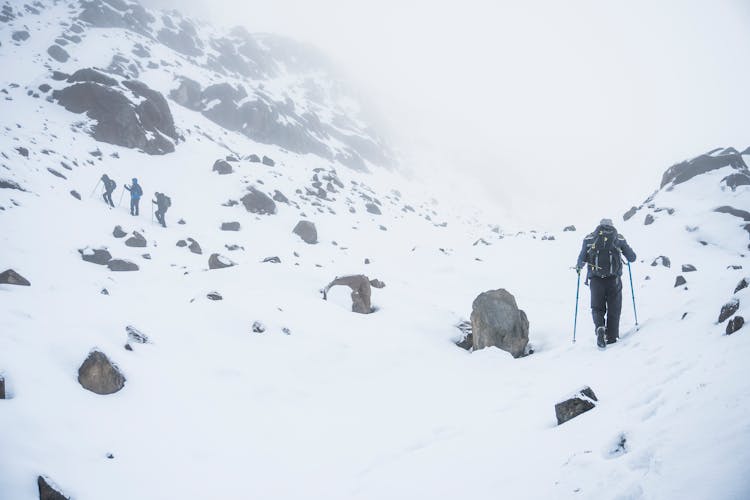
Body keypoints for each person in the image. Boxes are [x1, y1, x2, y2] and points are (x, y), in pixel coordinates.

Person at [576, 218, 637, 348]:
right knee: (614, 309)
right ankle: (612, 338)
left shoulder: (589, 238)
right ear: (612, 226)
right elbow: (632, 257)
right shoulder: (618, 238)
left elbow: (581, 259)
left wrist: (578, 267)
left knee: (597, 308)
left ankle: (599, 327)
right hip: (613, 279)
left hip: (595, 280)